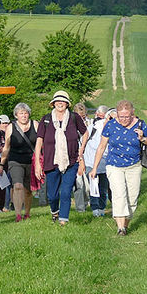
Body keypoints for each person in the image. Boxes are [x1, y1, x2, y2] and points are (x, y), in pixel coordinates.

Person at [90, 99, 147, 235]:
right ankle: (121, 228)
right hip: (114, 165)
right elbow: (101, 146)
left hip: (134, 166)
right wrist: (95, 167)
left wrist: (142, 138)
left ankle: (126, 224)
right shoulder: (111, 125)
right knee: (119, 195)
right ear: (116, 114)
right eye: (121, 116)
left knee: (132, 197)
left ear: (132, 113)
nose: (124, 119)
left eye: (127, 116)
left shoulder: (140, 124)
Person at [34, 90, 89, 226]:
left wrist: (81, 151)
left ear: (67, 103)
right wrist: (37, 163)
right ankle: (55, 212)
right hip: (51, 162)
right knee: (52, 195)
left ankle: (63, 220)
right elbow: (39, 141)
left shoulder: (74, 117)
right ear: (53, 103)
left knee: (65, 192)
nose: (60, 103)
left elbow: (85, 133)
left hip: (71, 161)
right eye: (58, 101)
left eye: (63, 101)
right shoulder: (46, 119)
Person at [0, 102, 37, 222]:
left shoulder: (35, 124)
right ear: (16, 115)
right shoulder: (11, 127)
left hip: (31, 161)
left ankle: (27, 212)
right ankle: (18, 214)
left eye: (26, 113)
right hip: (15, 160)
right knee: (17, 186)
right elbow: (6, 147)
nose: (24, 116)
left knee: (28, 190)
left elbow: (41, 143)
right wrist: (1, 164)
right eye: (21, 113)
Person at [82, 105, 111, 216]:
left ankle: (101, 208)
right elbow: (83, 141)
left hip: (104, 163)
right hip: (90, 161)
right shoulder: (93, 128)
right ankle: (95, 208)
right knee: (94, 186)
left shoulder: (111, 129)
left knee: (103, 187)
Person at [72, 103, 90, 213]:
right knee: (78, 183)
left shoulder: (91, 124)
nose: (81, 119)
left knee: (87, 185)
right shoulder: (71, 125)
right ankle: (80, 208)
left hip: (90, 157)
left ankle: (87, 202)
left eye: (83, 116)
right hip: (76, 156)